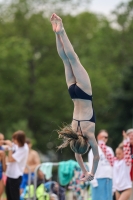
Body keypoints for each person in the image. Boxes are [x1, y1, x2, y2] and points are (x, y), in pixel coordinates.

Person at [50, 13, 99, 182]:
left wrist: (91, 173)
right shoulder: (73, 132)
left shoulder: (89, 134)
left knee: (73, 59)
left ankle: (61, 31)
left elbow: (96, 157)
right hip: (73, 93)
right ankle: (56, 33)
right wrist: (85, 172)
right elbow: (77, 154)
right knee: (65, 60)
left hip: (85, 94)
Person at [88, 130, 114, 200]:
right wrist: (93, 181)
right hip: (99, 179)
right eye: (102, 136)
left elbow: (113, 166)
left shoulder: (110, 150)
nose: (104, 138)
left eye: (106, 137)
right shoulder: (94, 149)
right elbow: (91, 165)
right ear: (97, 137)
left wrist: (114, 183)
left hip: (109, 179)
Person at [4, 130, 29, 200]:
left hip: (16, 176)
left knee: (14, 197)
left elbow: (10, 159)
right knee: (9, 195)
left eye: (14, 139)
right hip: (10, 174)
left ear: (19, 140)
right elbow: (6, 147)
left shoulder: (24, 149)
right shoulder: (16, 145)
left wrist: (10, 147)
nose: (13, 140)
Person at [113, 131, 132, 200]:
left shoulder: (127, 161)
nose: (117, 155)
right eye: (116, 154)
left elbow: (127, 150)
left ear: (124, 153)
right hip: (117, 188)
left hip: (126, 188)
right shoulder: (115, 161)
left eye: (119, 154)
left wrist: (126, 139)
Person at [126, 128, 133, 200]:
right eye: (129, 135)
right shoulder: (123, 148)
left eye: (132, 136)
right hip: (126, 178)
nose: (131, 137)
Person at [0, 133, 6, 200]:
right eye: (0, 139)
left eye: (2, 139)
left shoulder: (2, 149)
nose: (2, 141)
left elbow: (4, 168)